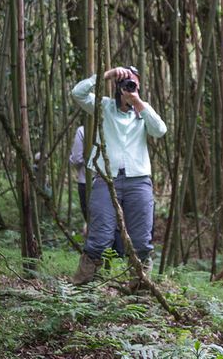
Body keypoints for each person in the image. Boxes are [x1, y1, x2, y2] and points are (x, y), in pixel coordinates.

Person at [71, 66, 167, 287]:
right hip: (106, 179)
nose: (129, 88)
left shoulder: (144, 112)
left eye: (133, 85)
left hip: (139, 181)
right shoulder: (104, 106)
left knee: (141, 240)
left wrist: (138, 103)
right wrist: (106, 74)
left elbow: (160, 130)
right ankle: (80, 290)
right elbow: (78, 93)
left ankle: (141, 289)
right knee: (100, 236)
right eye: (126, 84)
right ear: (117, 88)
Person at [69, 126, 88, 227]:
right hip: (110, 182)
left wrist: (71, 159)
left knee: (91, 221)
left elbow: (77, 159)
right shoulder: (112, 125)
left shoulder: (83, 130)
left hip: (85, 181)